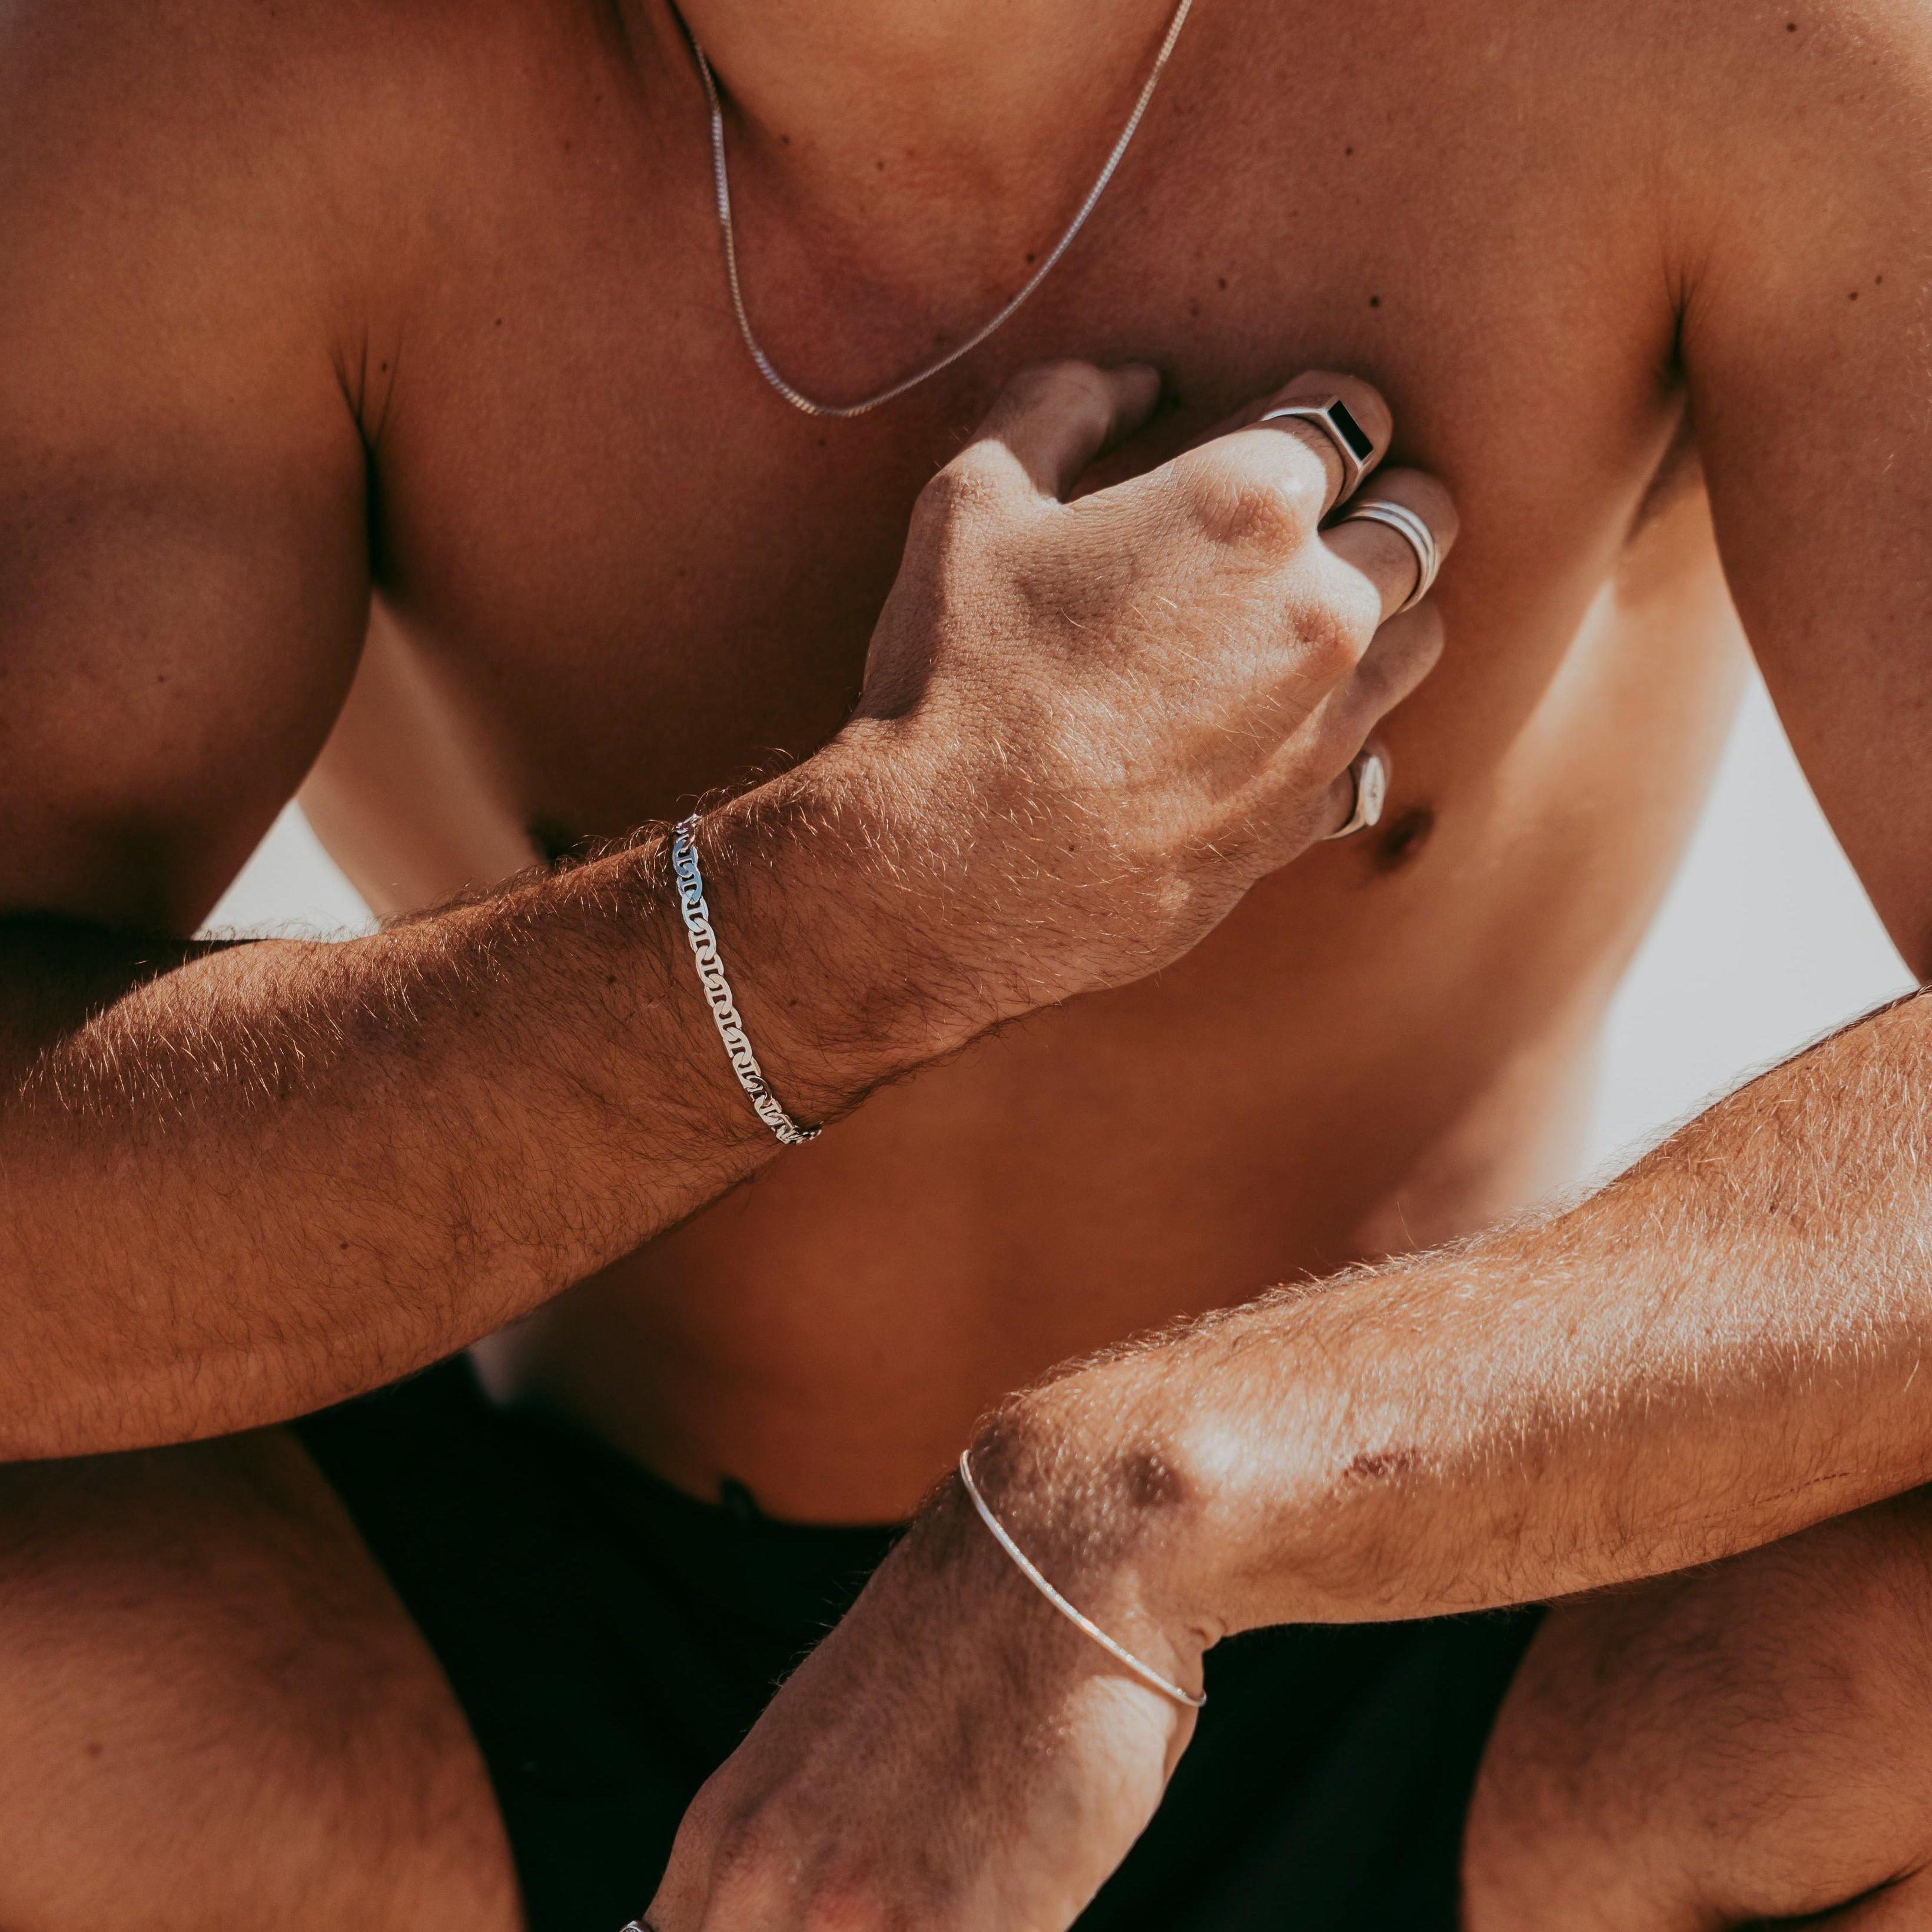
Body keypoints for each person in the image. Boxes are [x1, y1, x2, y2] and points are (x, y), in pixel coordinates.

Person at [3, 0, 1931, 1922]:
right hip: (467, 1723)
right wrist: (856, 911)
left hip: (1478, 1618)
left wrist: (1143, 1504)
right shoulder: (204, 85)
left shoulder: (1714, 42)